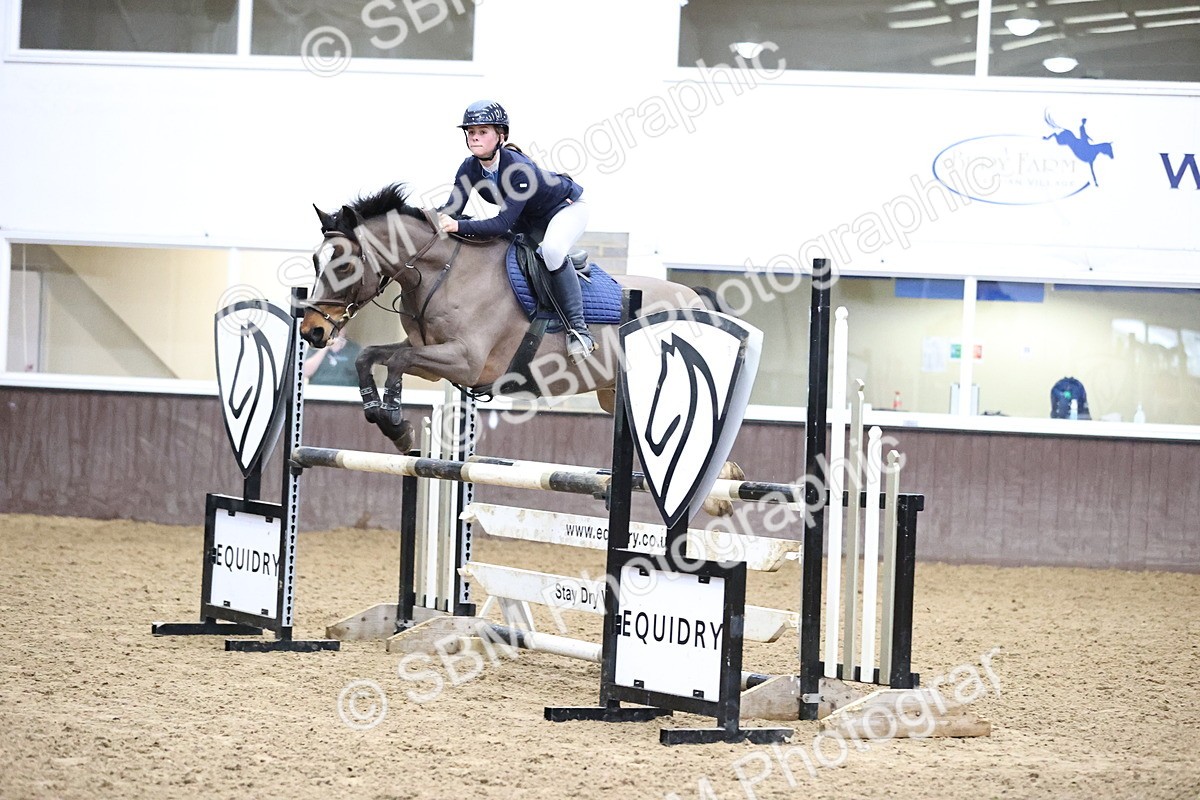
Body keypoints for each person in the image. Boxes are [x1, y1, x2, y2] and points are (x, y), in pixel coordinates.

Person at [436, 100, 595, 364]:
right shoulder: (469, 168)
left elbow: (500, 223)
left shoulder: (518, 168)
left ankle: (579, 331)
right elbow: (452, 209)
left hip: (565, 209)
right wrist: (422, 220)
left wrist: (458, 226)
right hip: (529, 218)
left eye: (482, 132)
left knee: (552, 250)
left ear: (502, 136)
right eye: (471, 132)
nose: (475, 137)